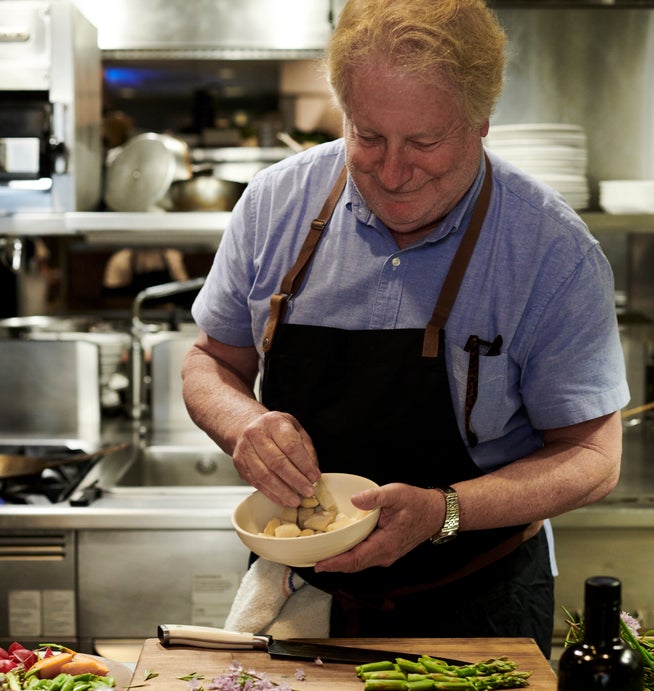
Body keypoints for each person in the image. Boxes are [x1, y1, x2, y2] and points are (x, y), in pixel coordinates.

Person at [182, 0, 628, 657]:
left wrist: (443, 512)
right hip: (302, 597)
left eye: (424, 143)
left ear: (481, 122)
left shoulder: (550, 251)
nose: (392, 173)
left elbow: (595, 459)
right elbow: (209, 361)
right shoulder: (274, 205)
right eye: (368, 136)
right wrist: (241, 422)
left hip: (480, 608)